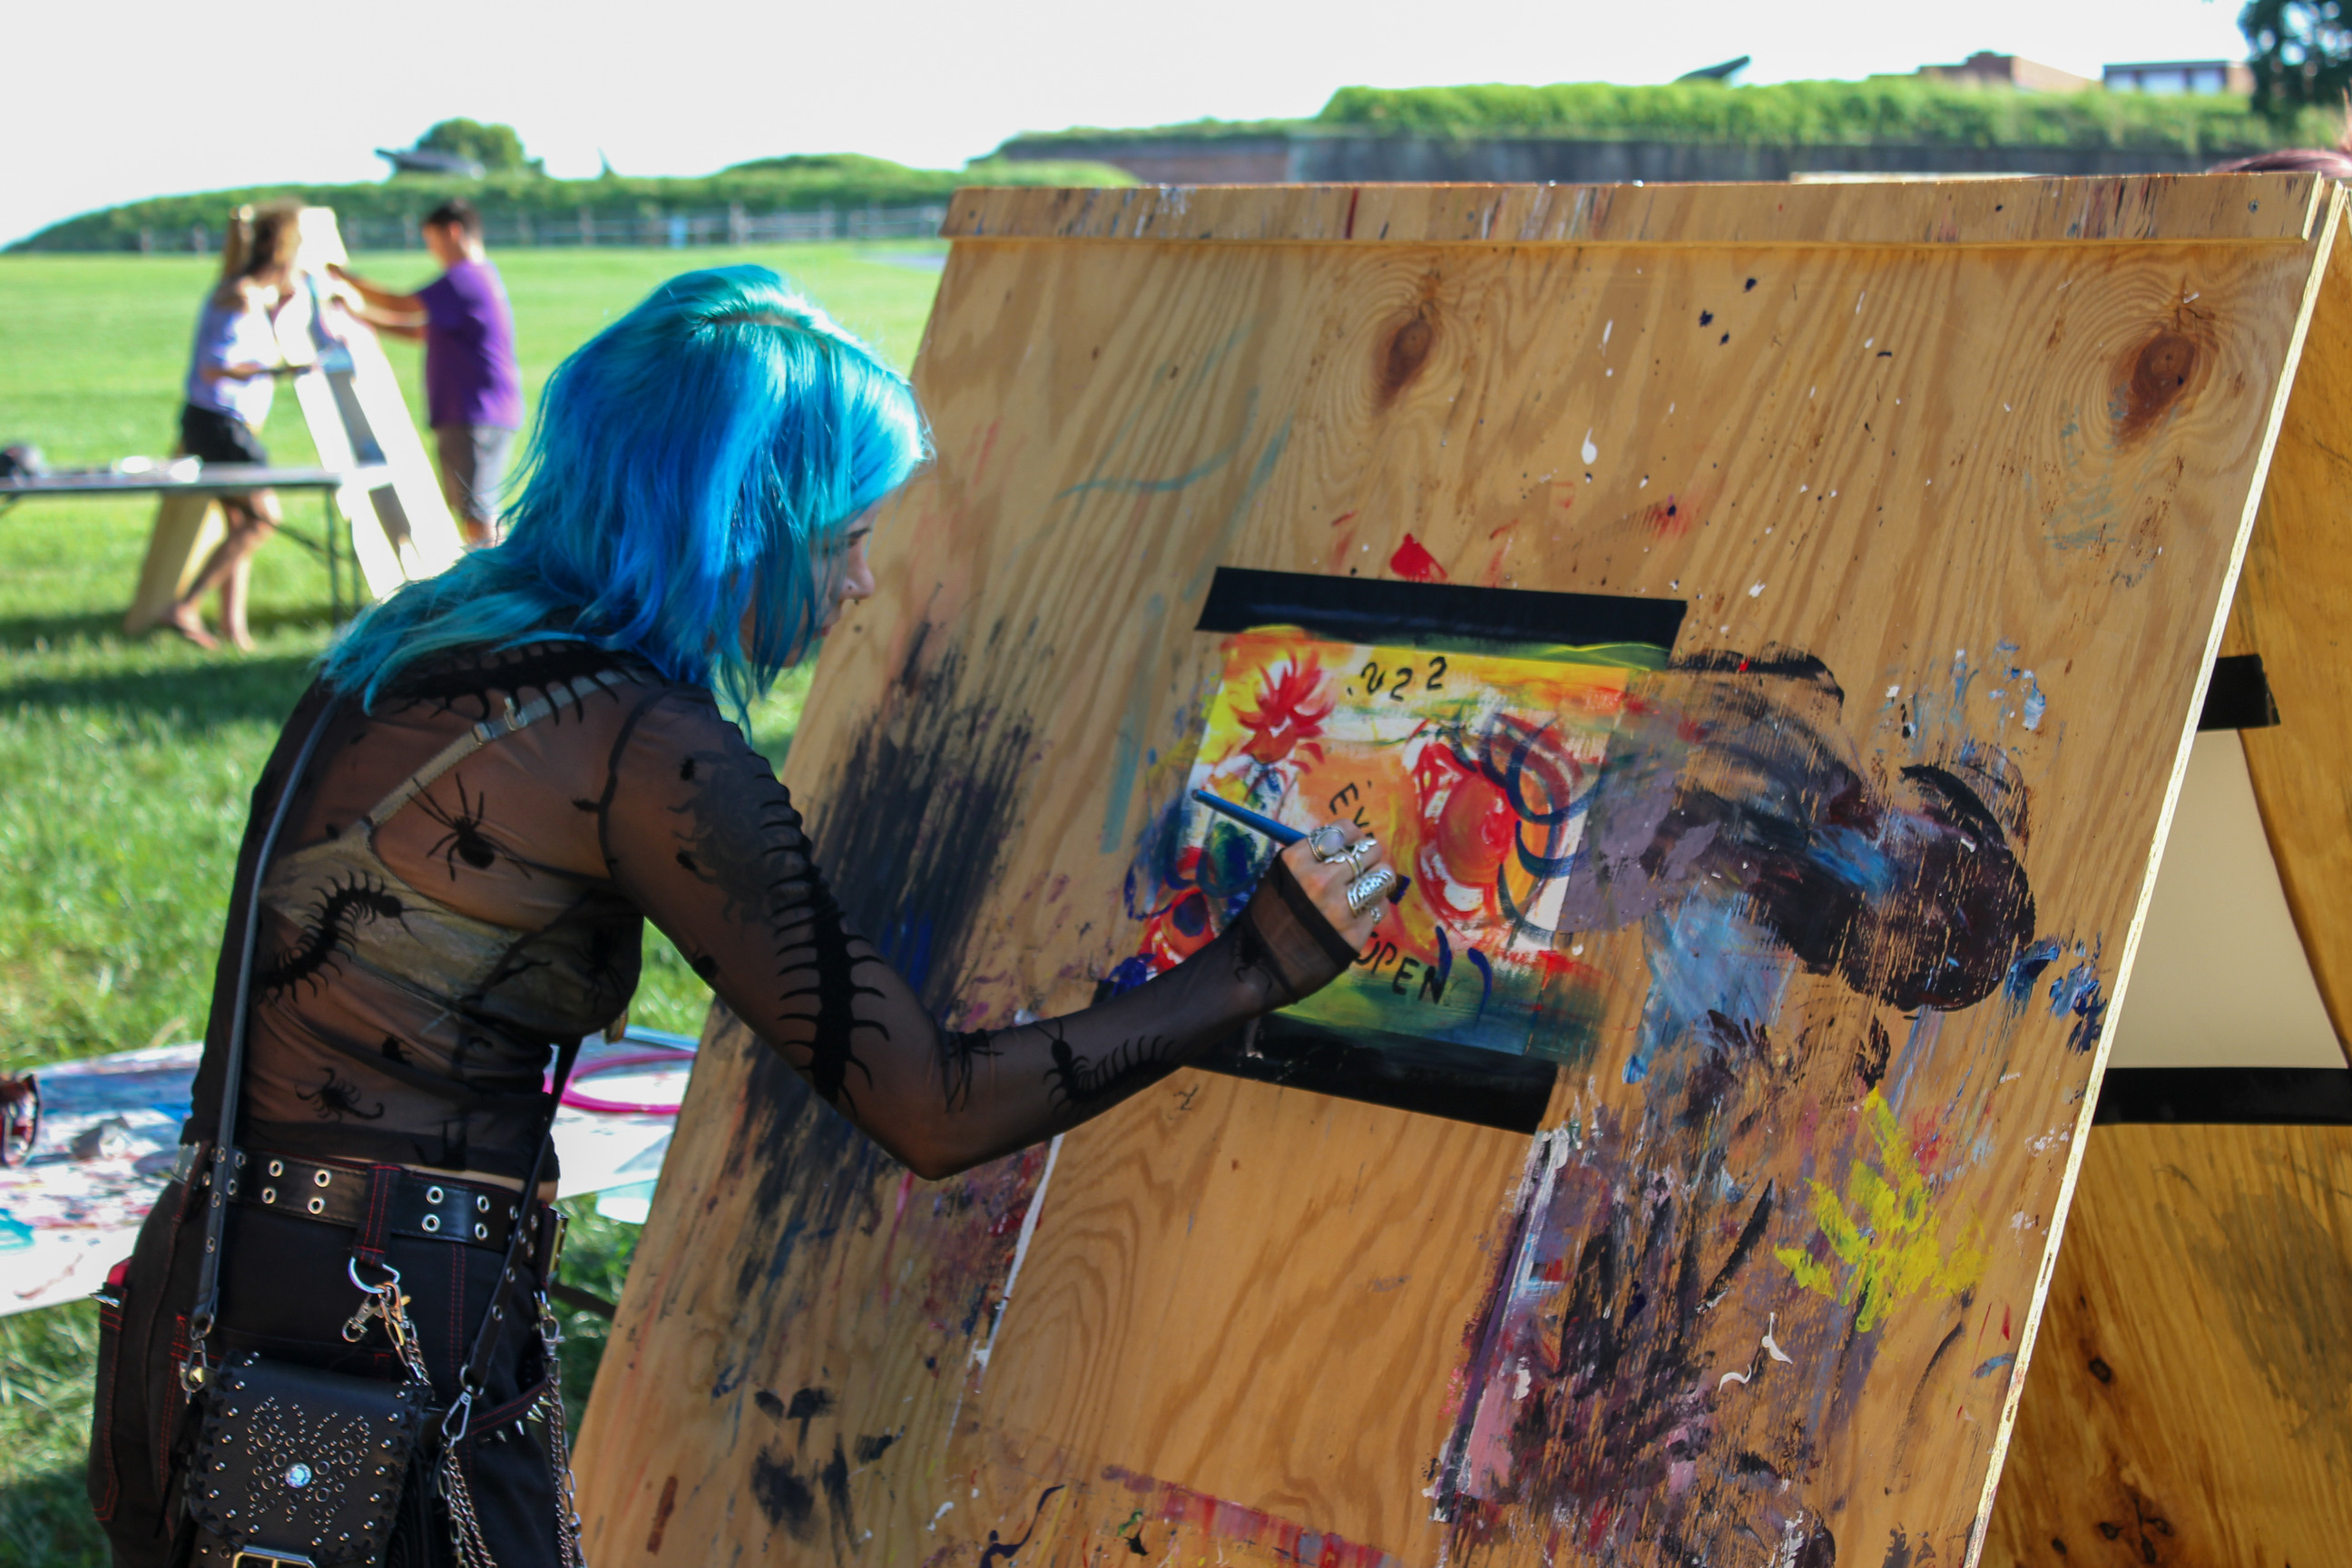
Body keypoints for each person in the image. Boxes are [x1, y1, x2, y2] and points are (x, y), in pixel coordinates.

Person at [87, 265, 1393, 1567]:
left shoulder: (407, 640)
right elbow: (931, 1108)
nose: (865, 582)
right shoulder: (642, 749)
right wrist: (1251, 965)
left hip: (218, 1292)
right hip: (382, 1341)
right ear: (731, 523)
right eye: (839, 540)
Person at [328, 199, 523, 546]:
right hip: (475, 409)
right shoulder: (480, 277)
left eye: (432, 241)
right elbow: (421, 330)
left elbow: (402, 304)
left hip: (475, 411)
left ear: (453, 232)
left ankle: (494, 584)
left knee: (478, 513)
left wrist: (344, 278)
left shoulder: (464, 278)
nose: (432, 251)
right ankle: (487, 580)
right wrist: (361, 315)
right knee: (472, 509)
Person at [164, 205, 303, 652]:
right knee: (264, 518)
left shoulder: (244, 294)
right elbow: (214, 367)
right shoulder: (240, 296)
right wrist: (277, 371)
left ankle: (233, 630)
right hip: (220, 424)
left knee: (241, 522)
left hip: (219, 422)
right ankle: (185, 607)